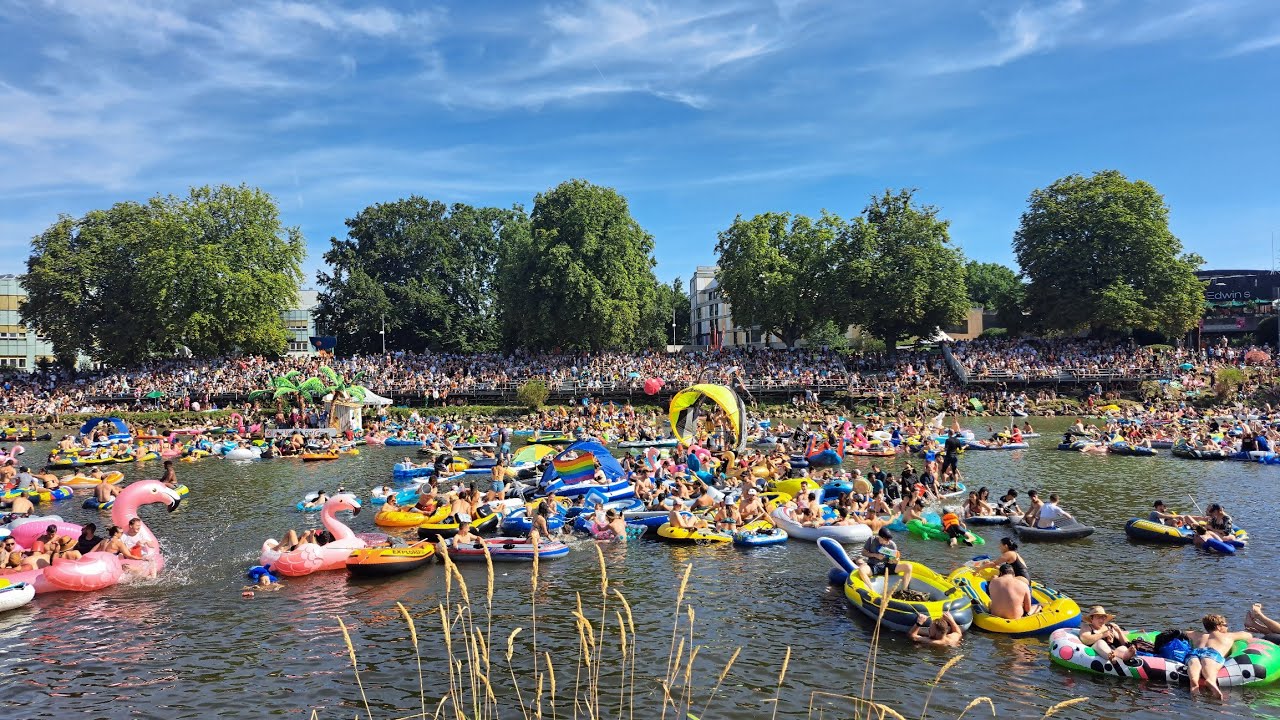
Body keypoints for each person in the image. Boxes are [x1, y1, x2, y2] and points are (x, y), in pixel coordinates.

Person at [1188, 613, 1253, 699]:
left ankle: (1194, 682)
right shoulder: (1228, 636)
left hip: (1194, 653)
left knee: (1194, 664)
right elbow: (1248, 635)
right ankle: (1211, 680)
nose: (1227, 628)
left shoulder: (1198, 635)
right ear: (1218, 627)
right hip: (1211, 653)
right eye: (1225, 625)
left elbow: (1185, 633)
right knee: (1209, 664)